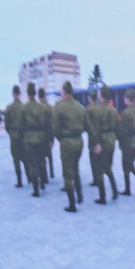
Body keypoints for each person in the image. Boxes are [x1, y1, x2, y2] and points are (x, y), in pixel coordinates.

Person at [50, 82, 87, 213]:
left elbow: (55, 127)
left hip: (66, 142)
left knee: (67, 173)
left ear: (64, 92)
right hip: (79, 141)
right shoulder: (80, 107)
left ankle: (72, 204)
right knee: (75, 168)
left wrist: (61, 139)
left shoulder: (59, 106)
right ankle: (80, 196)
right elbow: (86, 125)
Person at [84, 85, 117, 205]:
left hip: (102, 141)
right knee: (108, 167)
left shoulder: (98, 109)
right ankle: (114, 190)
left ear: (101, 95)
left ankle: (102, 196)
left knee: (99, 169)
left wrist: (96, 143)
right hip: (111, 140)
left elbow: (96, 129)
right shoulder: (113, 109)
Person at [114, 91, 135, 194]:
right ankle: (131, 187)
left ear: (128, 99)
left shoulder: (125, 113)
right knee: (130, 164)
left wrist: (119, 140)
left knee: (127, 165)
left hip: (128, 142)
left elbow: (122, 131)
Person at [4, 87, 26, 187]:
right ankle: (30, 178)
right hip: (24, 136)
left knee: (16, 159)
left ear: (13, 94)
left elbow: (6, 125)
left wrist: (11, 133)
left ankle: (19, 181)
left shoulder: (9, 108)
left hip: (14, 136)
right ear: (20, 94)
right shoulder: (24, 107)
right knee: (25, 157)